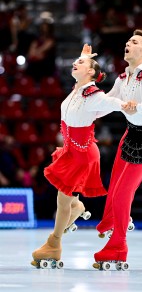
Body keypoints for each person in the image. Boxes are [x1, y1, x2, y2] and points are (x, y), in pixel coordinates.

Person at [31, 47, 132, 268]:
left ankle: (54, 243)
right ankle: (75, 209)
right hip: (72, 150)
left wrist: (126, 105)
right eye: (76, 61)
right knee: (65, 198)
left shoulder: (92, 95)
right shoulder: (78, 90)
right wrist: (85, 55)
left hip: (82, 154)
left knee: (61, 198)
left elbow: (111, 103)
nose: (75, 63)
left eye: (81, 63)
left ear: (90, 73)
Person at [83, 29, 142, 269]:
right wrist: (86, 114)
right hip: (128, 138)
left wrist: (141, 108)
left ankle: (118, 246)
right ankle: (116, 220)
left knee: (123, 193)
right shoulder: (123, 79)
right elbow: (107, 104)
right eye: (127, 41)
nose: (127, 44)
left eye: (133, 42)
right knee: (114, 189)